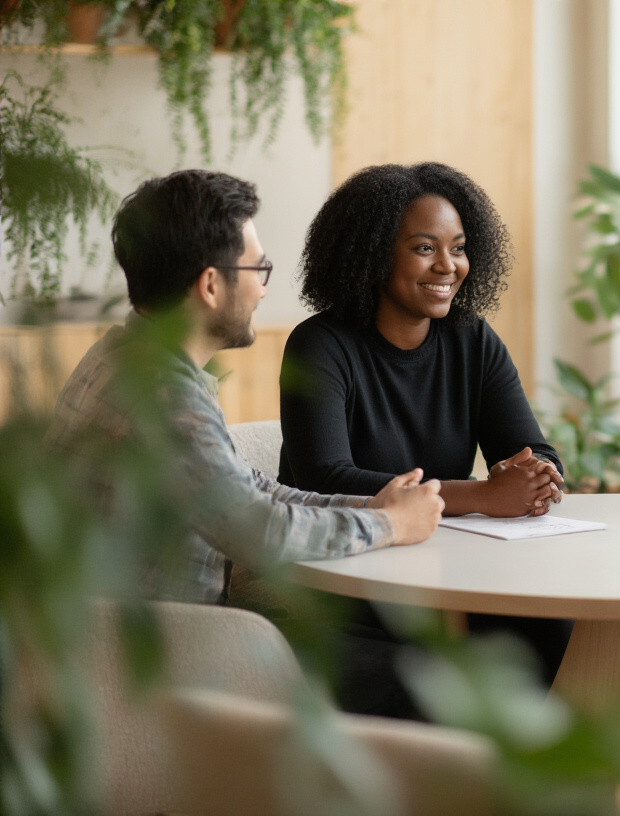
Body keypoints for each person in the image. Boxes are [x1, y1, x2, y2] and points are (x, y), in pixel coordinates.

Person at [47, 169, 445, 716]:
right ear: (211, 285)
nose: (263, 285)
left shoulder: (126, 357)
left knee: (398, 653)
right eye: (258, 268)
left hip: (122, 645)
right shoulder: (166, 396)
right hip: (156, 666)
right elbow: (260, 532)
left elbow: (247, 490)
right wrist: (391, 526)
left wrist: (372, 505)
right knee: (427, 677)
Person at [279, 162, 570, 680]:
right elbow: (325, 478)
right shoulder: (319, 345)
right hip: (347, 575)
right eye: (423, 248)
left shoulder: (472, 340)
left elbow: (531, 448)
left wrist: (537, 476)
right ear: (371, 254)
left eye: (458, 248)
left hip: (449, 570)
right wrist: (482, 496)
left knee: (554, 630)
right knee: (464, 664)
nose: (448, 266)